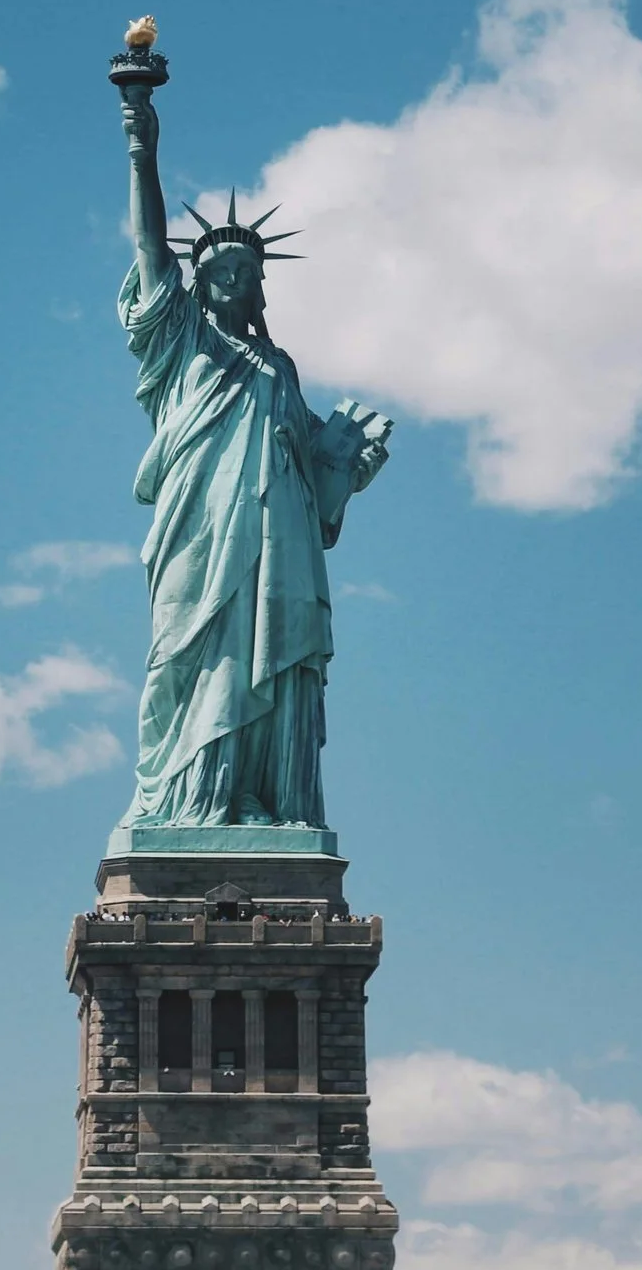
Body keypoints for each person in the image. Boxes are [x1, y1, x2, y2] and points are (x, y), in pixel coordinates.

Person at [115, 70, 392, 830]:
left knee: (272, 654)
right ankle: (199, 798)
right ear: (198, 284)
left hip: (280, 547)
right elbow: (148, 245)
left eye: (247, 273)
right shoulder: (180, 344)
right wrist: (142, 137)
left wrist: (347, 466)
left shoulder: (279, 369)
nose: (234, 281)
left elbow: (315, 478)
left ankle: (266, 797)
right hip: (202, 536)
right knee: (198, 660)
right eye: (220, 272)